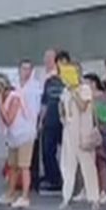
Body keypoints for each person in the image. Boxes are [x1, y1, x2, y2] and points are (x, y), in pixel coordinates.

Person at [58, 62, 102, 210]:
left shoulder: (84, 89)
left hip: (83, 132)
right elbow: (63, 109)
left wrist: (74, 91)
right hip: (69, 132)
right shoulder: (65, 91)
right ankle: (66, 196)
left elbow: (83, 107)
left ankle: (94, 198)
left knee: (88, 166)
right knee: (68, 166)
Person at [0, 76, 35, 209]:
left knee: (24, 166)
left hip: (24, 135)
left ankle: (25, 197)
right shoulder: (4, 98)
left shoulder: (14, 98)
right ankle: (10, 194)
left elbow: (9, 120)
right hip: (13, 137)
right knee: (12, 166)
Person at [38, 50, 66, 194]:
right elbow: (44, 103)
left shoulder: (69, 81)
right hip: (49, 121)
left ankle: (63, 179)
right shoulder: (49, 81)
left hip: (63, 122)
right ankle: (52, 178)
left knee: (66, 152)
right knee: (47, 151)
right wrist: (41, 121)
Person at [87, 72, 106, 205]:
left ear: (93, 84)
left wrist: (101, 129)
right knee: (94, 163)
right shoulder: (87, 98)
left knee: (102, 162)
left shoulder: (102, 99)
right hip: (90, 134)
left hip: (102, 134)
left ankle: (105, 190)